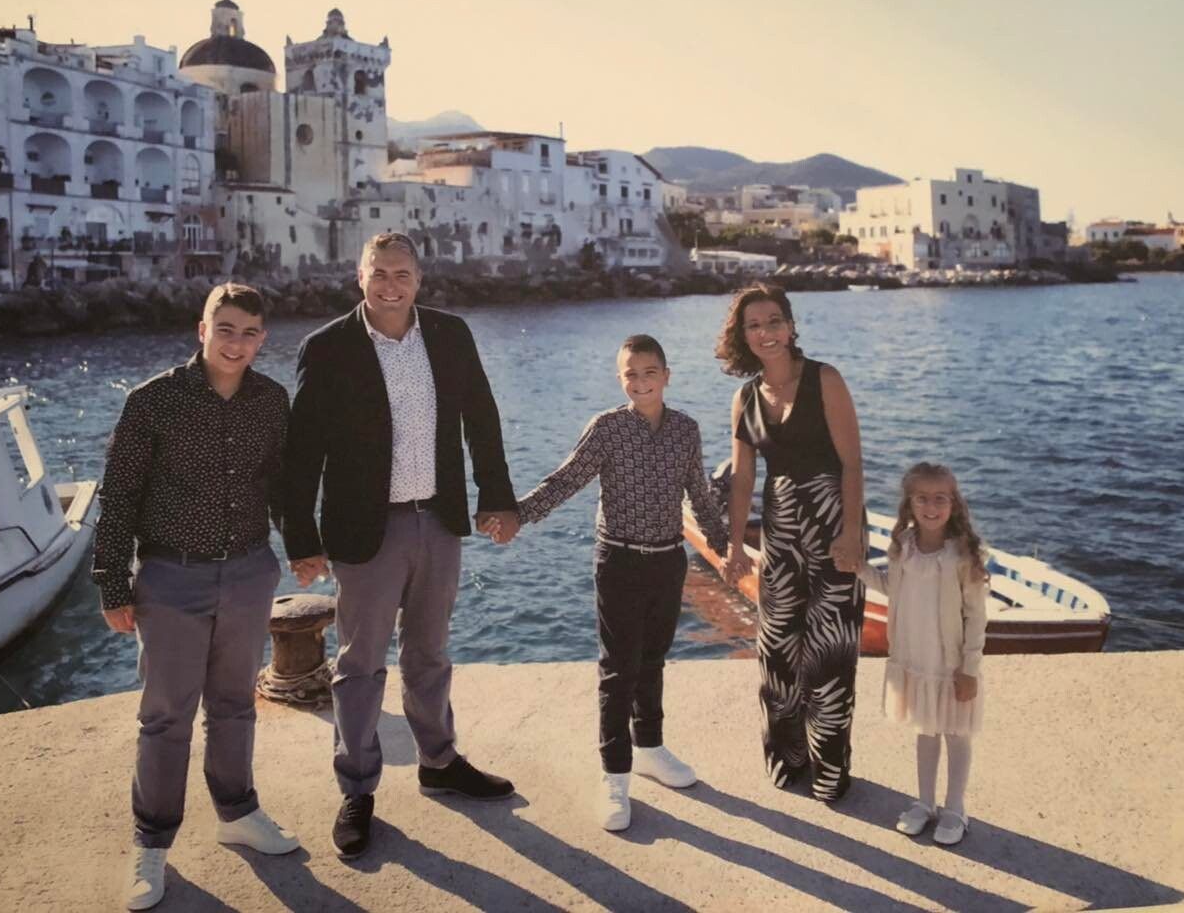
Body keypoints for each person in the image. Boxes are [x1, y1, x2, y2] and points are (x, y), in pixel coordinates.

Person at [283, 232, 520, 862]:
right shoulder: (326, 347)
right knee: (359, 665)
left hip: (437, 519)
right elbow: (302, 452)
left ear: (419, 279)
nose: (391, 286)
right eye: (379, 273)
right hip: (365, 529)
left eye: (403, 275)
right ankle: (357, 788)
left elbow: (482, 419)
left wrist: (496, 496)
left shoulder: (450, 334)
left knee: (430, 654)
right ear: (359, 277)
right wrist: (301, 538)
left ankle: (439, 762)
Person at [93, 283, 298, 912]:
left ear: (262, 340)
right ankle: (151, 844)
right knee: (165, 717)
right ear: (201, 329)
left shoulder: (271, 399)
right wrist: (112, 583)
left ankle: (237, 812)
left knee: (235, 705)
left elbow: (281, 485)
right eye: (225, 328)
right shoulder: (152, 400)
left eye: (249, 333)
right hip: (171, 577)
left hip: (249, 573)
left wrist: (306, 547)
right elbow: (119, 495)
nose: (236, 343)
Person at [515, 335, 729, 832]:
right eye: (631, 374)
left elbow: (699, 494)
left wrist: (724, 549)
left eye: (650, 372)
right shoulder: (607, 429)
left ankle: (649, 747)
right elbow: (566, 479)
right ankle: (614, 774)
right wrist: (518, 515)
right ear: (620, 379)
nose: (641, 382)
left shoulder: (686, 430)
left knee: (652, 661)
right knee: (618, 670)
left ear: (666, 376)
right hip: (619, 561)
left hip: (668, 561)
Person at [718, 283, 866, 802]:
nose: (766, 333)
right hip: (781, 533)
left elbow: (852, 464)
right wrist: (736, 545)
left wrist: (852, 533)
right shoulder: (745, 397)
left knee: (830, 652)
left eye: (774, 321)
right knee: (778, 651)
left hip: (832, 525)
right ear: (743, 336)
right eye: (754, 325)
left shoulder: (825, 379)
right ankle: (788, 757)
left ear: (791, 326)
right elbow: (742, 480)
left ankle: (830, 769)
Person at [857, 462, 988, 846]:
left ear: (954, 503)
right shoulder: (903, 547)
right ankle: (925, 802)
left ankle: (955, 808)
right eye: (922, 499)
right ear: (909, 504)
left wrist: (970, 668)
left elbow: (976, 616)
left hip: (951, 664)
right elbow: (892, 588)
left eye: (940, 499)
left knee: (956, 733)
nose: (931, 507)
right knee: (925, 730)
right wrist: (858, 569)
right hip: (916, 659)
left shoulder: (962, 555)